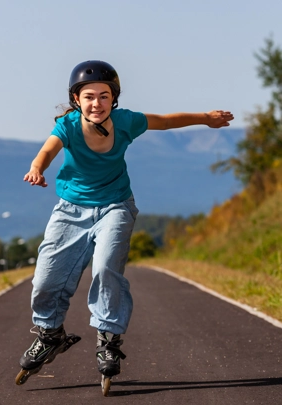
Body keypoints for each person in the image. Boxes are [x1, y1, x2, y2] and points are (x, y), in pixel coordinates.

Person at [15, 60, 234, 387]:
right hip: (70, 210)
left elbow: (165, 121)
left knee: (105, 269)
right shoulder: (68, 126)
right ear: (77, 100)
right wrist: (37, 168)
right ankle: (50, 334)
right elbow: (47, 150)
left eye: (104, 96)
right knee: (45, 277)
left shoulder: (125, 121)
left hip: (115, 206)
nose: (97, 103)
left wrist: (205, 119)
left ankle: (107, 340)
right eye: (89, 96)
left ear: (113, 98)